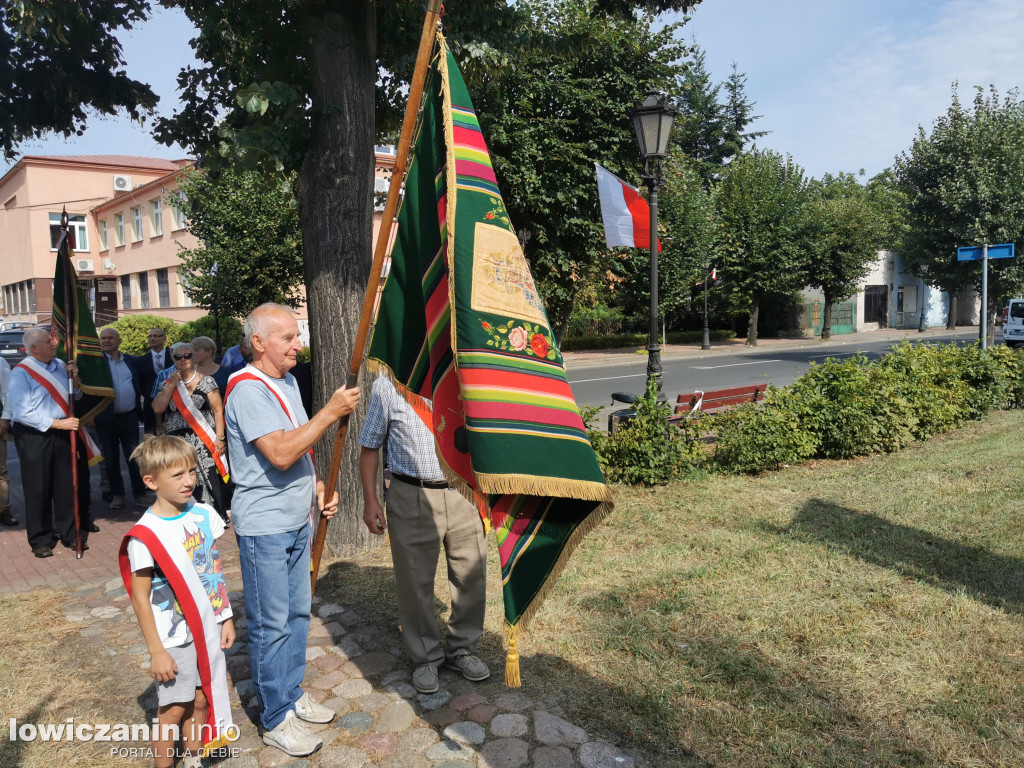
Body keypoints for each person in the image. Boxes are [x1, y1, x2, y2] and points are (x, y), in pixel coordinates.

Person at [224, 302, 359, 757]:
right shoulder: (246, 388)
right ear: (258, 342)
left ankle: (291, 691)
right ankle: (275, 716)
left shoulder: (286, 382)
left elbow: (298, 447)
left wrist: (319, 486)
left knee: (299, 614)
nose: (297, 345)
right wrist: (330, 412)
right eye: (288, 337)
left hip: (297, 518)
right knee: (270, 624)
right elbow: (279, 452)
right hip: (265, 526)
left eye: (297, 336)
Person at [358, 375, 489, 694]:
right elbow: (370, 446)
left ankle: (462, 650)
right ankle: (426, 657)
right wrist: (371, 500)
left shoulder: (465, 376)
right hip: (410, 493)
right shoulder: (387, 385)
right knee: (415, 582)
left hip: (462, 492)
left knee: (471, 574)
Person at [122, 435, 235, 768]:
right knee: (173, 709)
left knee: (200, 699)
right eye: (177, 475)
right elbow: (141, 599)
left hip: (206, 626)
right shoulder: (146, 535)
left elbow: (212, 569)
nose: (189, 481)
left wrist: (224, 616)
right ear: (151, 481)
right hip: (174, 638)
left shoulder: (202, 515)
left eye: (191, 471)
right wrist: (157, 651)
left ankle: (193, 759)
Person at [8, 327, 97, 557]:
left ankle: (70, 535)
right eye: (48, 341)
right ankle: (41, 540)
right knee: (38, 487)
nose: (54, 343)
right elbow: (21, 412)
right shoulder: (21, 372)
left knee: (67, 485)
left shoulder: (59, 364)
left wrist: (76, 379)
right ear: (35, 348)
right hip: (35, 435)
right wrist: (58, 424)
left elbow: (75, 397)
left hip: (63, 432)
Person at [152, 342, 229, 521]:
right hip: (177, 443)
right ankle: (184, 514)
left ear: (194, 357)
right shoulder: (168, 382)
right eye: (178, 357)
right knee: (180, 477)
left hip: (203, 440)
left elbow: (218, 410)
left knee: (207, 477)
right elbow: (157, 408)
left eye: (187, 355)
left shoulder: (207, 380)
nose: (183, 359)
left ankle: (213, 516)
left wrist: (220, 437)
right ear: (172, 359)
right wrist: (171, 385)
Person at [96, 327, 147, 508]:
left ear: (119, 341)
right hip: (106, 419)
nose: (106, 341)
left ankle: (140, 494)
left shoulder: (131, 362)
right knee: (110, 460)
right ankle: (117, 495)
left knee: (134, 457)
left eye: (110, 338)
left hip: (129, 417)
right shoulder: (96, 363)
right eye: (103, 338)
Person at [132, 327, 173, 435]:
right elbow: (139, 383)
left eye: (156, 336)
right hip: (150, 405)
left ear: (164, 338)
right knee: (152, 440)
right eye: (150, 336)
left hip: (173, 404)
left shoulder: (174, 357)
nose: (152, 338)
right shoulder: (141, 361)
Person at [0, 356, 17, 527]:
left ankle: (3, 510)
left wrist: (5, 418)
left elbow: (8, 392)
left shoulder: (0, 362)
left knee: (0, 470)